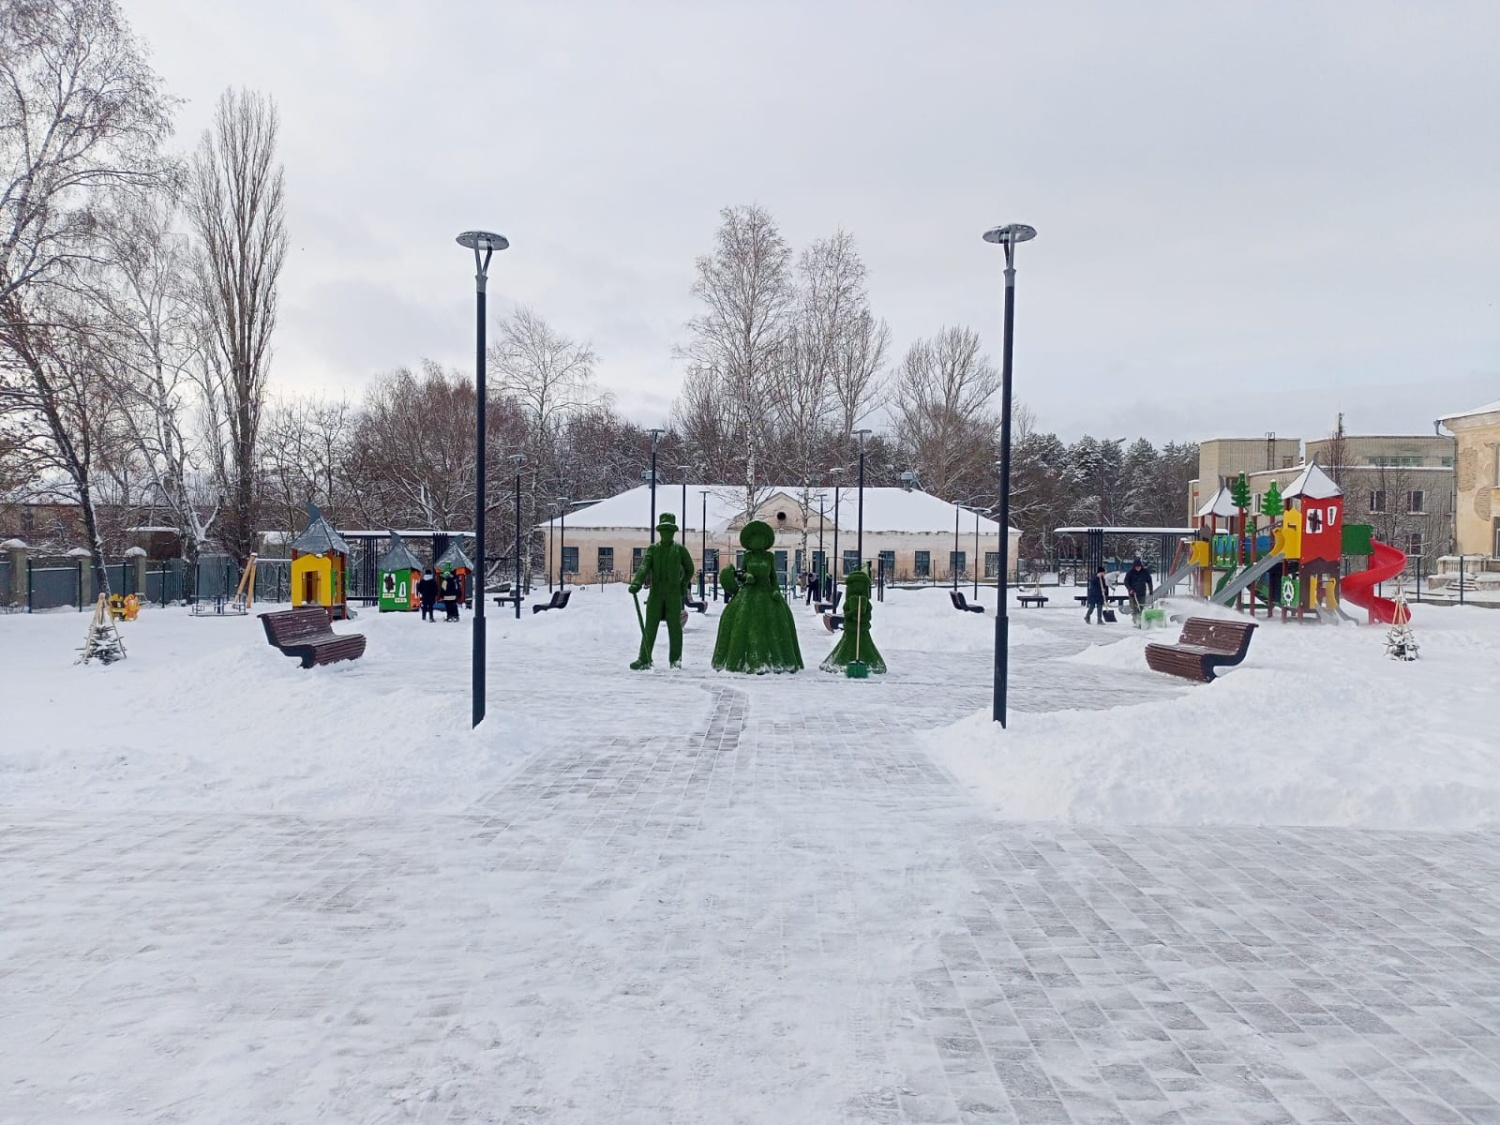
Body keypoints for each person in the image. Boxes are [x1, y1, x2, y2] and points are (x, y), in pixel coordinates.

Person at [629, 513, 696, 670]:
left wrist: (683, 583)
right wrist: (637, 582)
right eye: (664, 530)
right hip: (656, 592)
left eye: (670, 530)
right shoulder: (653, 549)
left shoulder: (679, 549)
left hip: (673, 593)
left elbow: (690, 568)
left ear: (673, 532)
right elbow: (644, 566)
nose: (667, 533)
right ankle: (644, 658)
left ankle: (676, 659)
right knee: (650, 626)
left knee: (675, 627)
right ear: (660, 532)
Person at [1123, 557, 1154, 622]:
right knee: (1134, 607)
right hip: (1133, 593)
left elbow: (1149, 580)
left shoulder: (1145, 572)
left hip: (1142, 592)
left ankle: (1141, 619)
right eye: (1137, 567)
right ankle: (1135, 619)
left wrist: (1151, 589)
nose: (1138, 568)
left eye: (1139, 566)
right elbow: (1126, 582)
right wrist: (1130, 589)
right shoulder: (1130, 573)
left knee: (1142, 607)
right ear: (1134, 566)